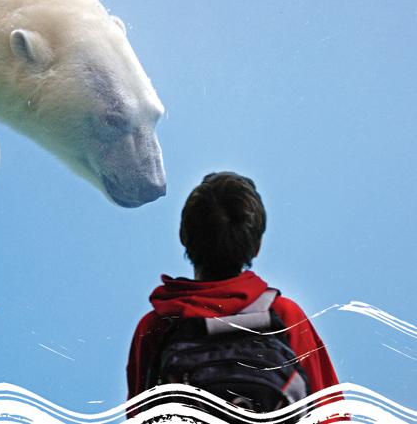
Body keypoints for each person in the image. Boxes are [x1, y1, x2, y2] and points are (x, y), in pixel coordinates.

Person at [126, 172, 340, 412]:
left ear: (183, 237)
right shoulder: (284, 316)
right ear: (256, 247)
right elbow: (329, 414)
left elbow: (140, 414)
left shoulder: (157, 327)